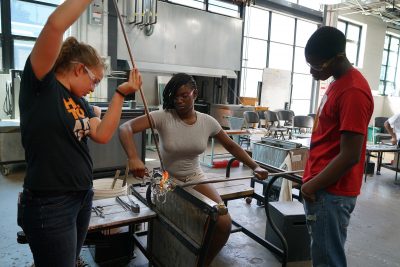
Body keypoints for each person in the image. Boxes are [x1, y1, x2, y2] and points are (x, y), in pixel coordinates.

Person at [17, 1, 142, 266]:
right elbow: (55, 25)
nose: (93, 87)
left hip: (82, 196)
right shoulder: (41, 84)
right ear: (78, 68)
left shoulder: (81, 102)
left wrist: (120, 94)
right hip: (50, 203)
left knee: (69, 260)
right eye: (94, 80)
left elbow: (103, 134)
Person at [119, 73, 268, 266]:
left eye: (184, 95)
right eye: (174, 96)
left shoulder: (208, 122)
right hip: (166, 179)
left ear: (194, 93)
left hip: (195, 176)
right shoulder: (164, 117)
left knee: (223, 223)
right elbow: (125, 128)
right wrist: (133, 158)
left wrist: (254, 166)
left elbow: (231, 146)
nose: (178, 100)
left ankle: (202, 262)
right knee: (172, 222)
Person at [301, 26, 373, 267]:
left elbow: (350, 155)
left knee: (328, 261)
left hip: (331, 193)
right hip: (322, 188)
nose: (312, 72)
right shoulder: (337, 82)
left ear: (339, 58)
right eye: (309, 65)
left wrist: (313, 185)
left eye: (318, 66)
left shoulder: (353, 91)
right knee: (323, 255)